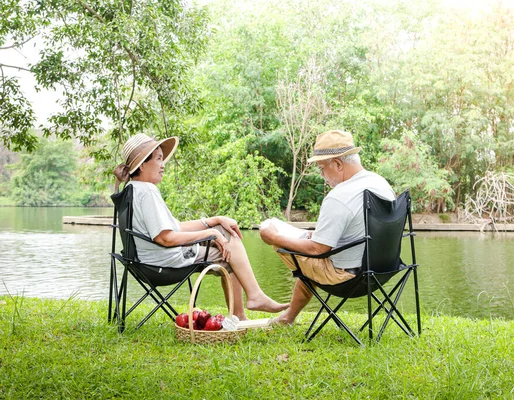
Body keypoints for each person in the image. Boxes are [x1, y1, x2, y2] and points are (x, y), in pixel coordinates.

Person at [113, 133, 289, 321]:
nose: (163, 165)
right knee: (230, 256)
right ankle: (247, 306)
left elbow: (175, 228)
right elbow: (165, 238)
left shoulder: (134, 188)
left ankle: (252, 299)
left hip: (145, 261)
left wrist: (214, 220)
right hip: (162, 262)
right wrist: (211, 233)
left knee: (224, 232)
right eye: (158, 159)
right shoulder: (147, 191)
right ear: (141, 165)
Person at [259, 130, 395, 325]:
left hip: (348, 278)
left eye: (322, 168)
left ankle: (288, 317)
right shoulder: (380, 183)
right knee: (309, 252)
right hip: (383, 271)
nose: (322, 175)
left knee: (296, 251)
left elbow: (318, 249)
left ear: (338, 164)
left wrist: (273, 237)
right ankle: (288, 316)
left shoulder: (339, 196)